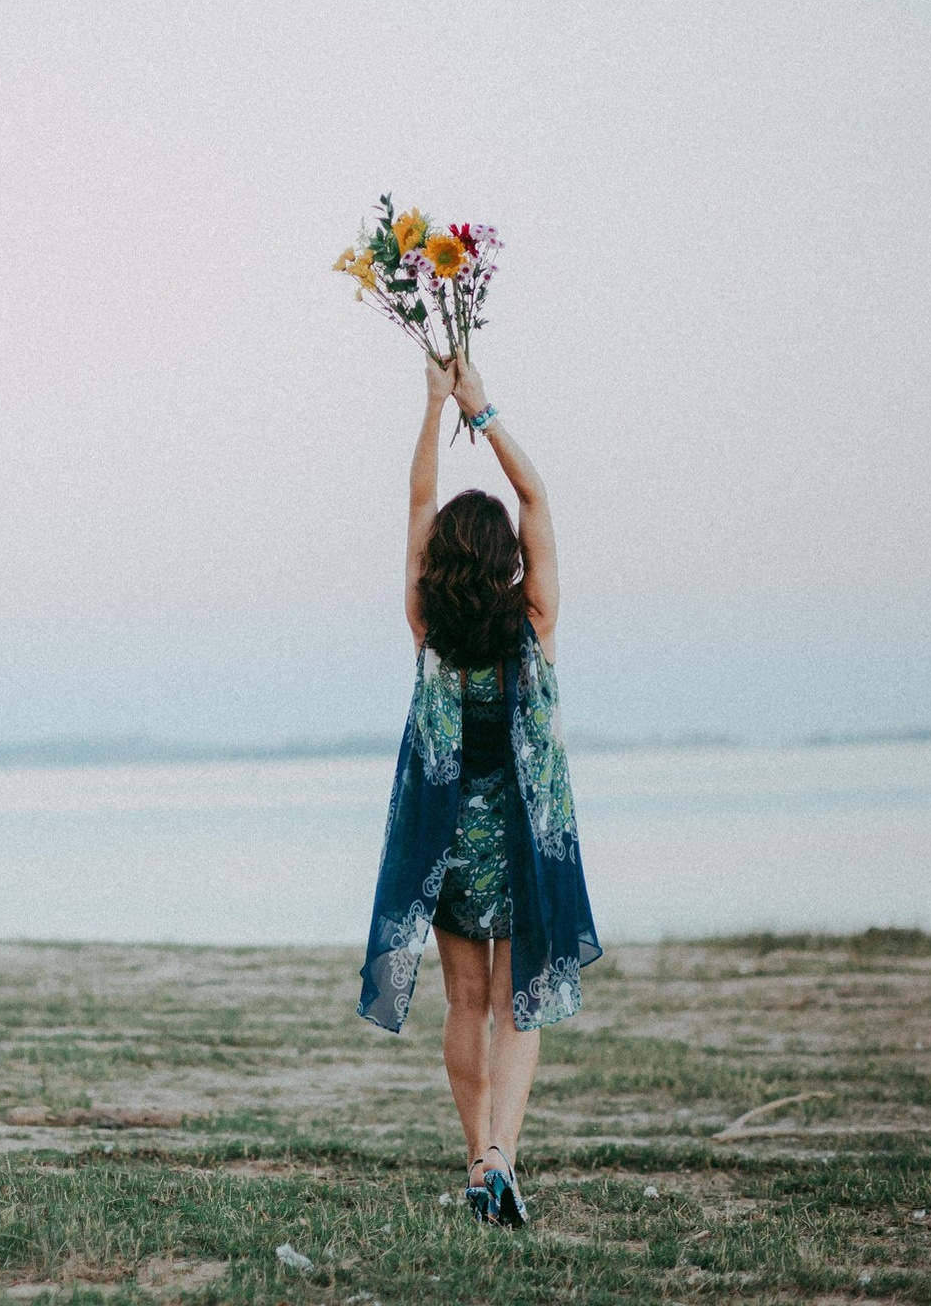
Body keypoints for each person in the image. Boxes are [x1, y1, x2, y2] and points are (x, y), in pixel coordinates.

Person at [357, 354, 601, 1228]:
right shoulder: (534, 621)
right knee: (514, 1004)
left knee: (465, 1001)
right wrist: (480, 408)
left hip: (451, 844)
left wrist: (432, 407)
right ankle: (502, 1155)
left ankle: (475, 1163)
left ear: (441, 563)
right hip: (525, 843)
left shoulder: (428, 627)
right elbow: (535, 497)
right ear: (506, 559)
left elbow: (416, 503)